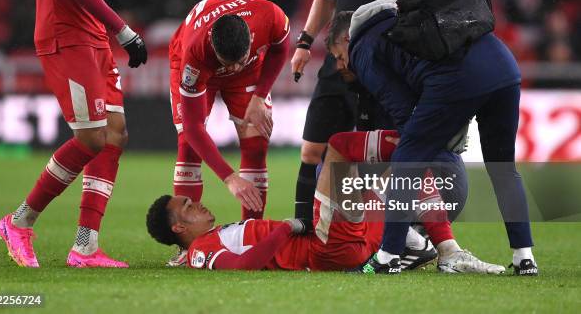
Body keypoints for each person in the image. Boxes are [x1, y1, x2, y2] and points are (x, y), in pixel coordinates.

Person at [326, 2, 538, 276]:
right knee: (503, 168)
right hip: (504, 65)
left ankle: (388, 257)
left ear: (346, 38)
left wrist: (431, 134)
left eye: (338, 56)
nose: (342, 64)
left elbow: (404, 112)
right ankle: (525, 258)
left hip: (461, 78)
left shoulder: (362, 47)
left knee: (407, 158)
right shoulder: (401, 20)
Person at [146, 129, 504, 274]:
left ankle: (446, 250)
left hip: (355, 242)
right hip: (329, 244)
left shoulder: (209, 239)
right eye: (187, 208)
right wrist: (285, 227)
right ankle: (426, 137)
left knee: (409, 171)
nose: (198, 204)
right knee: (339, 147)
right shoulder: (200, 252)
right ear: (178, 228)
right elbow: (243, 266)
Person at [0, 0, 148, 268]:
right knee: (93, 138)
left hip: (91, 35)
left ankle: (86, 246)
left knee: (114, 134)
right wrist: (124, 30)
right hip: (66, 35)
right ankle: (19, 222)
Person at [290, 0, 434, 228]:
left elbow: (417, 8)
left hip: (381, 65)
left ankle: (395, 233)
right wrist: (305, 42)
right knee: (311, 150)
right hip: (340, 60)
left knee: (381, 156)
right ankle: (304, 229)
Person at [167, 0, 290, 264]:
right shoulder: (195, 54)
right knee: (188, 146)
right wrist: (229, 178)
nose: (233, 67)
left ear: (250, 39)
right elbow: (193, 126)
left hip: (249, 77)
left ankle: (250, 235)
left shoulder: (270, 16)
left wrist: (260, 95)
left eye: (239, 59)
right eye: (227, 62)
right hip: (203, 73)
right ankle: (187, 248)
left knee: (257, 144)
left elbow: (281, 47)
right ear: (213, 45)